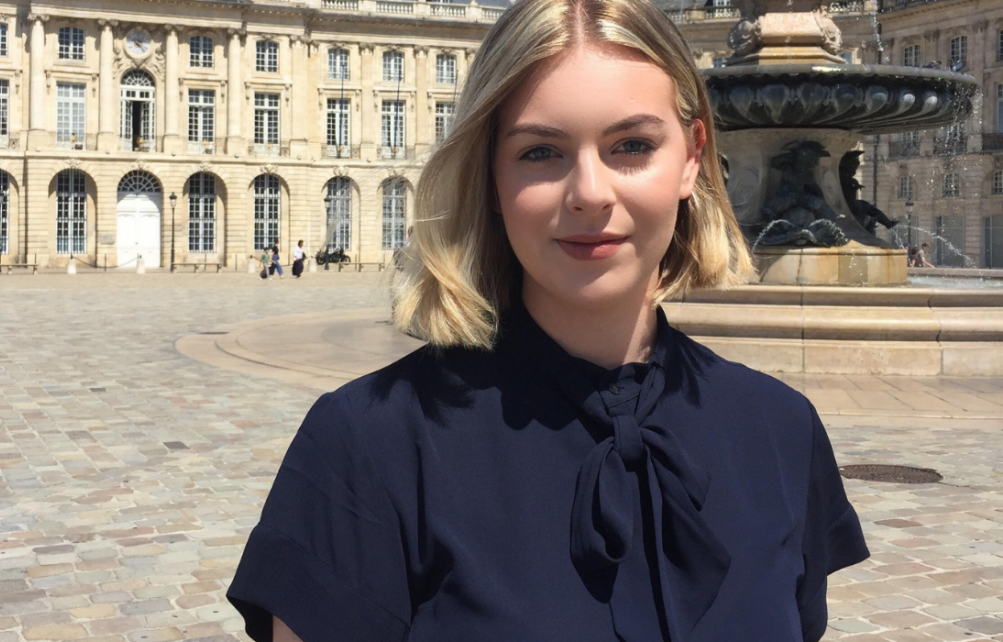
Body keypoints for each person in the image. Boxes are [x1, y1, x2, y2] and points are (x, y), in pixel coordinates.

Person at [228, 0, 869, 640]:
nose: (589, 193)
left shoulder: (782, 432)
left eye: (632, 146)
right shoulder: (369, 448)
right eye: (540, 152)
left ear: (692, 157)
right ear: (490, 174)